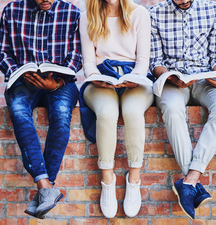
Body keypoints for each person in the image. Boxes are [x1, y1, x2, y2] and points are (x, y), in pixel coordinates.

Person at [0, 0, 81, 219]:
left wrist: (59, 81)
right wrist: (20, 73)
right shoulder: (12, 10)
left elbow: (77, 56)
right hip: (24, 80)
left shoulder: (72, 12)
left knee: (61, 115)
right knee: (18, 110)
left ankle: (44, 188)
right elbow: (2, 52)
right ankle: (46, 186)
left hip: (60, 82)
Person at [149, 0, 216, 219]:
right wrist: (169, 75)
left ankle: (190, 179)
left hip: (205, 79)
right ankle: (193, 182)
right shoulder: (155, 14)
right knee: (170, 107)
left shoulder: (213, 9)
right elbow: (155, 62)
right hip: (173, 81)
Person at [79, 0, 152, 218]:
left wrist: (134, 79)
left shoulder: (140, 14)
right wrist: (97, 79)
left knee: (131, 111)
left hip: (135, 78)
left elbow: (143, 60)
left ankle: (134, 178)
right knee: (108, 112)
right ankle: (108, 179)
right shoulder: (87, 16)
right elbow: (89, 63)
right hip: (101, 79)